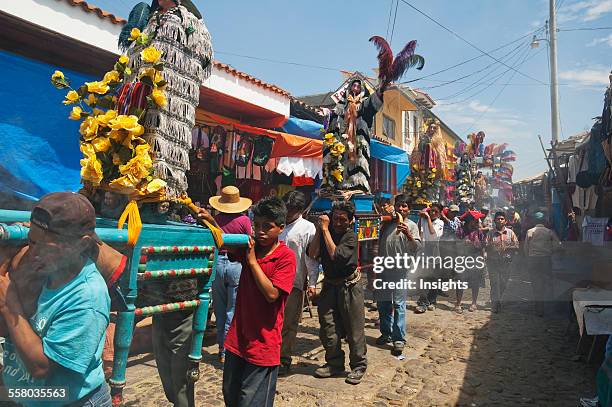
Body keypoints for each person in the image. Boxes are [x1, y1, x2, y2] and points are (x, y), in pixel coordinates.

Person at [0, 192, 112, 406]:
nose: (34, 253)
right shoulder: (41, 267)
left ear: (80, 244)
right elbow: (6, 329)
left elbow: (41, 368)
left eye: (46, 247)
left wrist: (8, 303)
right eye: (32, 241)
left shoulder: (87, 298)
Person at [222, 197, 296, 406]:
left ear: (281, 228)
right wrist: (211, 219)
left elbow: (272, 294)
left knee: (251, 401)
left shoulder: (285, 257)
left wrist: (252, 261)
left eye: (267, 227)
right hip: (238, 338)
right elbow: (222, 240)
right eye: (257, 226)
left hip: (264, 343)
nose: (260, 231)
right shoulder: (248, 248)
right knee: (231, 394)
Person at [308, 201, 366, 385]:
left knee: (353, 328)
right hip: (330, 286)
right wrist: (319, 230)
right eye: (335, 219)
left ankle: (358, 365)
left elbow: (336, 255)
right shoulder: (325, 232)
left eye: (342, 220)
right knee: (327, 327)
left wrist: (325, 230)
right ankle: (334, 363)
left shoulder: (351, 237)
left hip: (349, 287)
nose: (337, 223)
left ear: (350, 221)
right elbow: (313, 253)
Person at [209, 186, 252, 364]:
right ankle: (228, 350)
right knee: (232, 310)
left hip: (218, 263)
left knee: (219, 309)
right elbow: (250, 242)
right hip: (236, 264)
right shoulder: (244, 221)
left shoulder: (216, 220)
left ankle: (221, 348)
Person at [278, 191, 319, 375]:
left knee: (288, 323)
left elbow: (311, 258)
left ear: (300, 210)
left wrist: (312, 282)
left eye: (291, 209)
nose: (287, 212)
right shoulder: (278, 224)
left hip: (294, 282)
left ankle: (283, 359)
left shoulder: (308, 228)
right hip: (271, 280)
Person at [375, 194, 421, 356]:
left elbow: (417, 247)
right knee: (383, 303)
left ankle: (399, 339)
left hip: (400, 270)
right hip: (383, 268)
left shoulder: (412, 225)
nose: (401, 209)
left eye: (404, 206)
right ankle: (386, 333)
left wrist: (408, 234)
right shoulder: (387, 223)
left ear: (409, 209)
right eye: (399, 205)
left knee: (399, 304)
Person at [321, 78, 386, 193]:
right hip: (342, 142)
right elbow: (335, 115)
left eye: (358, 86)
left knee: (358, 162)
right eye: (353, 86)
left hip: (358, 141)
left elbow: (372, 102)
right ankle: (336, 185)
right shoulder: (342, 104)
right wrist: (327, 113)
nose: (355, 88)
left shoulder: (364, 104)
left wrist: (380, 90)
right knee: (338, 162)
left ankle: (358, 186)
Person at [524, 212, 562, 316]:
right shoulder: (549, 232)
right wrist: (550, 251)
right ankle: (550, 308)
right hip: (546, 260)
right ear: (545, 221)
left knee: (536, 284)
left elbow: (525, 248)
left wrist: (529, 258)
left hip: (533, 260)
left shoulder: (529, 232)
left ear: (534, 221)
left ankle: (539, 309)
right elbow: (559, 245)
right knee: (547, 283)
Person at [485, 211, 519, 313]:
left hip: (506, 262)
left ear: (505, 221)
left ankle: (498, 300)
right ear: (494, 221)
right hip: (493, 262)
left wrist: (507, 247)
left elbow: (517, 245)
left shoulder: (510, 233)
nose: (500, 220)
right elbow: (485, 245)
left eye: (502, 219)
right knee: (494, 283)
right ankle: (495, 304)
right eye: (498, 219)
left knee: (504, 283)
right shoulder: (490, 233)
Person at [455, 210, 487, 313]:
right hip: (462, 257)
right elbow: (454, 243)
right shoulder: (461, 231)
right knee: (460, 280)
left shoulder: (479, 231)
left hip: (475, 257)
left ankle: (474, 303)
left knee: (475, 281)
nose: (478, 223)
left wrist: (483, 257)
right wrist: (463, 243)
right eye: (476, 221)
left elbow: (483, 245)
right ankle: (458, 304)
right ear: (470, 221)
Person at [415, 203, 444, 313]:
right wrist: (421, 218)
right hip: (423, 251)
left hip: (433, 252)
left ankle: (432, 300)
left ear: (439, 213)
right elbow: (418, 232)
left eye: (435, 211)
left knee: (433, 279)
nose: (432, 213)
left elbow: (433, 235)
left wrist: (427, 218)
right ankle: (423, 302)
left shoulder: (439, 222)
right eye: (431, 211)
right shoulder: (423, 220)